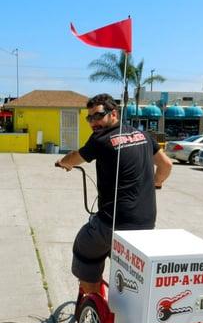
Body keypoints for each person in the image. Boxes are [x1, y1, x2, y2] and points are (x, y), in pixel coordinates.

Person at [55, 93, 172, 305]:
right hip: (146, 224)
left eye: (98, 116)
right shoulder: (144, 136)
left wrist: (65, 163)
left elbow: (74, 157)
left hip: (112, 223)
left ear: (114, 114)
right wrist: (155, 184)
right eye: (89, 118)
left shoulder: (100, 139)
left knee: (84, 248)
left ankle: (95, 303)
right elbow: (166, 165)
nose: (93, 122)